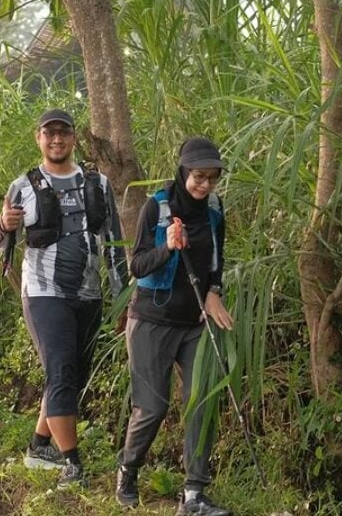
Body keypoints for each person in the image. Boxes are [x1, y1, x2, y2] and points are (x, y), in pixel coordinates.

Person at [0, 109, 127, 487]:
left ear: (73, 138)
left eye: (63, 134)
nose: (57, 140)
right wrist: (4, 224)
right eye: (49, 134)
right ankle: (73, 463)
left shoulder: (97, 184)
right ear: (38, 138)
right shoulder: (23, 186)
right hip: (42, 293)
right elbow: (0, 239)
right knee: (61, 370)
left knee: (72, 374)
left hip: (88, 294)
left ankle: (39, 447)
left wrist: (122, 299)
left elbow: (114, 243)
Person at [114, 137, 234, 515]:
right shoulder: (157, 206)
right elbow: (136, 266)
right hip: (152, 319)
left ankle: (194, 494)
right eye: (199, 176)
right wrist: (167, 246)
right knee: (152, 407)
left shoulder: (214, 210)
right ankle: (128, 468)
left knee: (202, 401)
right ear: (183, 171)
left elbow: (217, 260)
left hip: (195, 320)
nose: (205, 185)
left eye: (212, 178)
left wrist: (214, 290)